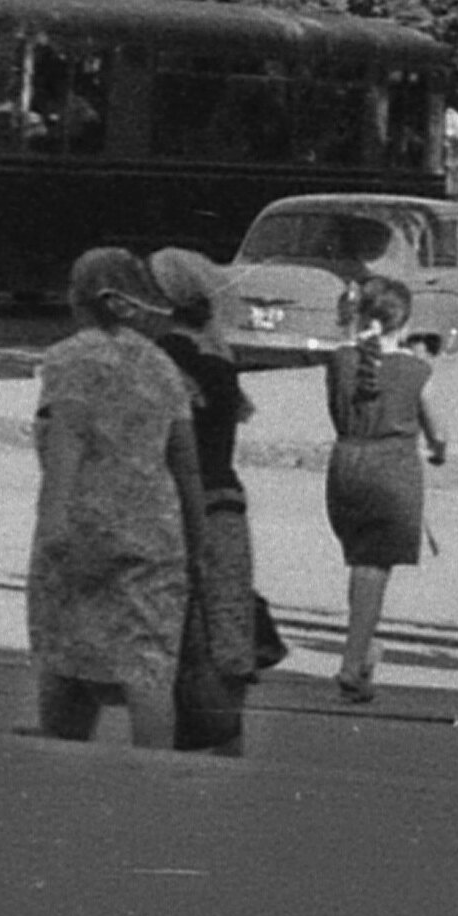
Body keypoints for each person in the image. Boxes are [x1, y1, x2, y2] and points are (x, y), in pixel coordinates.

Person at [25, 247, 206, 748]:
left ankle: (61, 763)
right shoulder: (162, 367)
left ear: (83, 299)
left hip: (80, 528)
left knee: (65, 658)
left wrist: (53, 521)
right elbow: (186, 463)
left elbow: (68, 438)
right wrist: (198, 538)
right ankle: (153, 777)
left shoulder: (68, 359)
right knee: (147, 665)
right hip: (154, 534)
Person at [140, 248, 296, 754]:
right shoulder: (219, 357)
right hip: (227, 501)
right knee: (226, 625)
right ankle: (229, 741)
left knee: (172, 629)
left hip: (176, 504)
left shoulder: (162, 356)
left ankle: (171, 745)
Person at [320, 271, 447, 705]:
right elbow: (438, 431)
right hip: (391, 469)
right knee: (374, 569)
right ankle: (354, 663)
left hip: (345, 465)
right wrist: (438, 449)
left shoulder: (339, 361)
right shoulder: (416, 370)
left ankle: (365, 646)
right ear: (404, 323)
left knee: (361, 562)